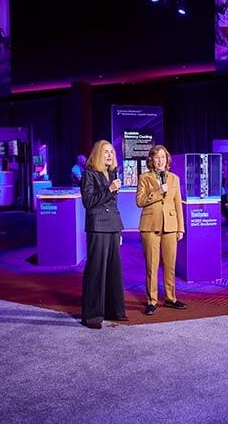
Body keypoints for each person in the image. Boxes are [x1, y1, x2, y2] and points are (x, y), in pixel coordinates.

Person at [79, 140, 126, 329]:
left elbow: (113, 204)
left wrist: (118, 229)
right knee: (96, 270)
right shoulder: (89, 174)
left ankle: (113, 310)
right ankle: (92, 316)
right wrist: (109, 189)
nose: (109, 155)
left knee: (114, 270)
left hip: (113, 226)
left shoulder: (113, 173)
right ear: (98, 154)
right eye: (106, 152)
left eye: (111, 152)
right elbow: (89, 202)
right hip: (98, 226)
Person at [136, 145, 186, 315]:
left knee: (170, 265)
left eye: (163, 157)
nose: (160, 160)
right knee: (152, 265)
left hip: (171, 226)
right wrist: (158, 191)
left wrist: (181, 228)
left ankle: (171, 298)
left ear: (167, 160)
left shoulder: (174, 179)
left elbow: (178, 204)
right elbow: (140, 201)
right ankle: (152, 300)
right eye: (157, 157)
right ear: (151, 159)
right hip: (150, 227)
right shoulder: (144, 178)